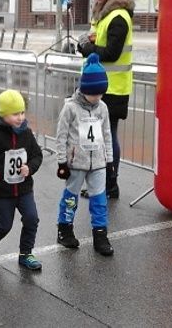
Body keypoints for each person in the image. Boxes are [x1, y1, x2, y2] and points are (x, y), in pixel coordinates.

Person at [77, 0, 134, 199]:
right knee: (99, 137)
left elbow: (111, 52)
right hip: (101, 86)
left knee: (106, 138)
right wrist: (90, 41)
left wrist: (87, 48)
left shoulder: (118, 17)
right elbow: (103, 43)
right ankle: (102, 184)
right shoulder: (107, 15)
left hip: (112, 89)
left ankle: (109, 185)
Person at [0, 90, 44, 270]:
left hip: (24, 189)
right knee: (4, 225)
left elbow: (37, 155)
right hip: (1, 192)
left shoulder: (27, 134)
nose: (20, 117)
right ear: (3, 114)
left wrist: (30, 168)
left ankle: (26, 254)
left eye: (22, 112)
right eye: (15, 114)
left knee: (31, 218)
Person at [54, 53, 114, 256]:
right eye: (93, 94)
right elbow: (61, 136)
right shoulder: (70, 108)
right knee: (71, 197)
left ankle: (100, 234)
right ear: (84, 89)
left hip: (97, 162)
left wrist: (109, 161)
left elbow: (107, 135)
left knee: (99, 200)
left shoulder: (103, 108)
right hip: (76, 163)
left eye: (100, 94)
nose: (97, 98)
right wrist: (62, 161)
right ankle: (65, 229)